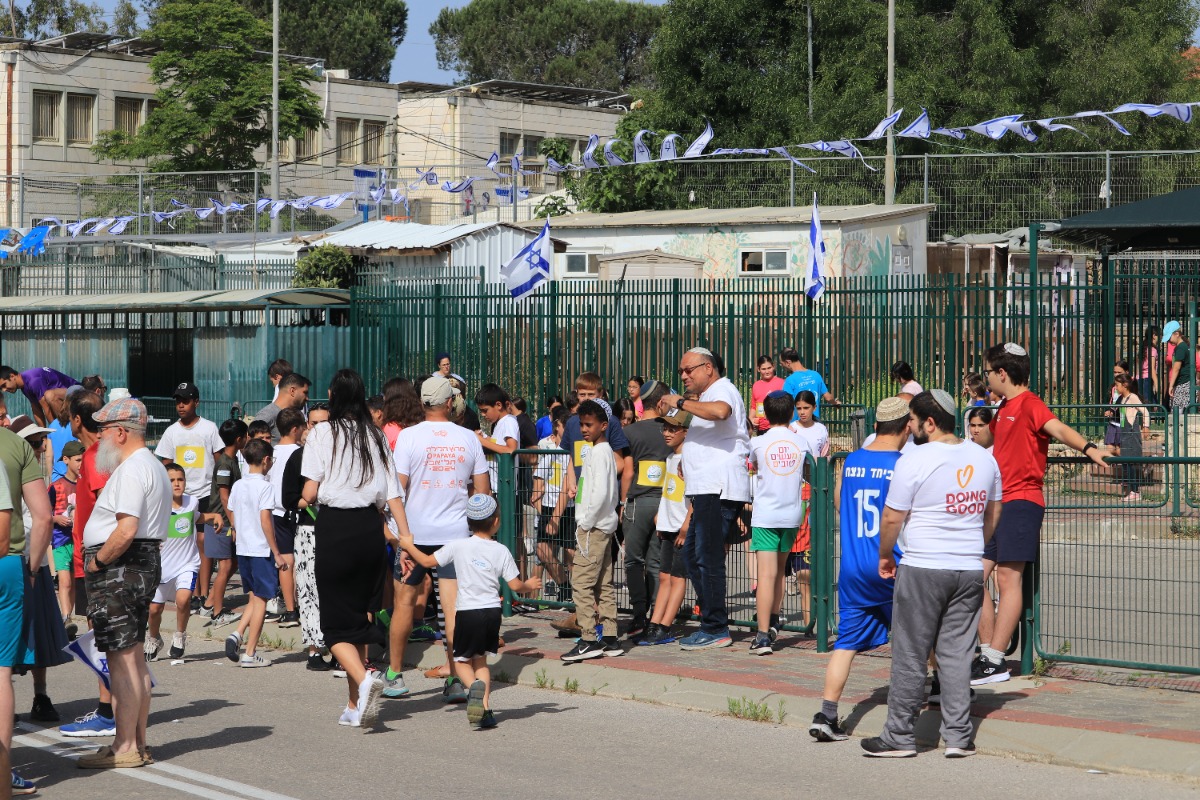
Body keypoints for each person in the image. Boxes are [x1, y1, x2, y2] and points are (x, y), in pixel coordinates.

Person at [860, 390, 1002, 759]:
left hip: (923, 564)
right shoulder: (984, 458)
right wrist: (972, 543)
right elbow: (993, 512)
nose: (910, 426)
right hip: (968, 567)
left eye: (913, 420)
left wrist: (886, 555)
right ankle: (958, 737)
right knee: (957, 653)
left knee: (910, 651)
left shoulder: (915, 458)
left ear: (930, 422)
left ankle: (899, 736)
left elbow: (892, 516)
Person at [977, 343, 1107, 686]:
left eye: (988, 372)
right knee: (972, 576)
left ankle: (994, 659)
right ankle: (987, 651)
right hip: (996, 501)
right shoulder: (1002, 406)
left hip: (1021, 500)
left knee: (1007, 578)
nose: (986, 377)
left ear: (1002, 373)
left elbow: (1059, 429)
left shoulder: (1031, 404)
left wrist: (1090, 448)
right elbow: (984, 442)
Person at [301, 369, 410, 730]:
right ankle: (354, 704)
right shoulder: (376, 436)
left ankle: (364, 679)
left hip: (336, 528)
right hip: (370, 530)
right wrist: (405, 540)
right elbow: (393, 494)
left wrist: (301, 499)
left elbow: (312, 491)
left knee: (333, 628)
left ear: (333, 395)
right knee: (359, 622)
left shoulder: (321, 432)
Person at [809, 396, 909, 742]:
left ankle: (827, 713)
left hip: (853, 566)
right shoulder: (902, 463)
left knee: (846, 643)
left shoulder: (851, 460)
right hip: (890, 562)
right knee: (918, 632)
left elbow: (839, 502)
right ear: (907, 427)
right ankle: (936, 691)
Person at [79, 398, 172, 769]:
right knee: (132, 658)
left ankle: (125, 746)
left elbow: (127, 528)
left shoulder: (133, 469)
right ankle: (138, 743)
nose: (98, 438)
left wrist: (98, 562)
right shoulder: (151, 465)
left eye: (102, 431)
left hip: (120, 566)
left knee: (120, 661)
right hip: (139, 563)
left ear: (120, 432)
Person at [397, 494, 539, 730]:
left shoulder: (457, 546)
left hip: (468, 612)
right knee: (481, 661)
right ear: (495, 522)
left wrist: (409, 544)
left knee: (461, 661)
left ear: (468, 522)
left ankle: (472, 686)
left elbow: (427, 561)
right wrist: (529, 585)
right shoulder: (501, 550)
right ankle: (484, 711)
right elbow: (515, 586)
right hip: (492, 613)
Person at [387, 375, 489, 701]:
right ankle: (457, 677)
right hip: (455, 535)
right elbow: (482, 494)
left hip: (414, 534)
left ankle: (394, 675)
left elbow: (397, 488)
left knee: (404, 603)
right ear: (449, 403)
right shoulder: (469, 438)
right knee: (452, 610)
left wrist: (401, 536)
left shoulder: (407, 437)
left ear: (422, 403)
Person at [657, 347, 750, 651]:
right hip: (705, 489)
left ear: (708, 368)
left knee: (707, 558)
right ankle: (712, 620)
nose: (684, 375)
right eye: (682, 371)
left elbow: (722, 412)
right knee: (693, 556)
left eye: (689, 370)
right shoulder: (706, 397)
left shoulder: (723, 389)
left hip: (718, 488)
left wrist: (681, 402)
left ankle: (716, 627)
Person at [59, 390, 117, 739]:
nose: (66, 420)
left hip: (97, 562)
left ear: (78, 420)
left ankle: (110, 714)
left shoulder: (97, 458)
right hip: (91, 559)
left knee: (105, 636)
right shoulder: (98, 455)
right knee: (102, 636)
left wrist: (97, 562)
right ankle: (108, 710)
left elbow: (108, 512)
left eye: (68, 415)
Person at [747, 391, 814, 655]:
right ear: (792, 413)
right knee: (779, 571)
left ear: (766, 413)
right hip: (792, 515)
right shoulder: (801, 443)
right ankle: (774, 619)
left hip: (765, 515)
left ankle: (763, 635)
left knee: (767, 575)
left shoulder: (758, 443)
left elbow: (751, 467)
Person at [154, 382, 222, 626]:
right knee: (183, 539)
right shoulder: (172, 432)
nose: (180, 405)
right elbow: (166, 463)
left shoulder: (209, 428)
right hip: (178, 497)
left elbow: (219, 461)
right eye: (177, 401)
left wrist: (219, 492)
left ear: (196, 402)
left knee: (203, 542)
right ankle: (190, 594)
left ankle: (203, 592)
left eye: (185, 400)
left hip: (203, 494)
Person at [561, 400, 622, 662]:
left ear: (603, 426)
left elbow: (599, 494)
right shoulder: (600, 451)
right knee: (602, 583)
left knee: (581, 583)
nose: (584, 429)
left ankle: (588, 638)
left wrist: (585, 521)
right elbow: (598, 488)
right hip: (602, 524)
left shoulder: (598, 452)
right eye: (581, 424)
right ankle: (609, 636)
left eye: (589, 424)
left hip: (593, 527)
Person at [146, 463, 220, 662]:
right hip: (162, 566)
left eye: (180, 479)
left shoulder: (192, 501)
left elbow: (194, 518)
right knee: (154, 610)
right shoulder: (156, 505)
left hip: (187, 563)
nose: (177, 484)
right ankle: (154, 639)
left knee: (184, 599)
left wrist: (214, 516)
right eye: (171, 480)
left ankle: (179, 636)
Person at [618, 379, 673, 636]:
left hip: (637, 502)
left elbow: (626, 472)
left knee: (632, 560)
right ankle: (656, 615)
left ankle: (639, 614)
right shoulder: (671, 429)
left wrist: (622, 501)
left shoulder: (629, 432)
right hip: (665, 502)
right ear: (661, 402)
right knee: (656, 561)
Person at [224, 439, 282, 668]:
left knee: (255, 597)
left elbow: (231, 511)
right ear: (266, 460)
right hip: (261, 548)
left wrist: (237, 529)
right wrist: (276, 551)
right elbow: (266, 520)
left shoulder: (238, 485)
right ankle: (250, 652)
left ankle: (237, 634)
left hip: (243, 549)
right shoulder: (265, 486)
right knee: (261, 600)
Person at [637, 406, 692, 646]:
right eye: (665, 428)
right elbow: (668, 491)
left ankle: (665, 626)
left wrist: (686, 525)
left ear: (686, 432)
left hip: (682, 528)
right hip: (668, 525)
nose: (667, 433)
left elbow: (696, 497)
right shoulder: (670, 458)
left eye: (673, 429)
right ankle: (654, 624)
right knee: (664, 575)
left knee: (678, 578)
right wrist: (661, 515)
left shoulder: (689, 459)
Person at [282, 403, 331, 670]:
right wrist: (312, 502)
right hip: (308, 531)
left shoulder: (340, 455)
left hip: (337, 529)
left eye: (325, 422)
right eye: (315, 423)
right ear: (307, 426)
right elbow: (288, 499)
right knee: (309, 589)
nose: (319, 428)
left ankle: (338, 647)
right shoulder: (297, 458)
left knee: (334, 588)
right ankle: (314, 650)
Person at [201, 418, 247, 628]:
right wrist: (235, 524)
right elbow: (225, 497)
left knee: (233, 563)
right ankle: (216, 613)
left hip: (228, 521)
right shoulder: (225, 464)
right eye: (246, 436)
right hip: (221, 523)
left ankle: (210, 603)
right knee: (225, 566)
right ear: (239, 439)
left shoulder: (232, 460)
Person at [267, 408, 305, 628]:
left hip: (275, 513)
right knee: (296, 561)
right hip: (294, 511)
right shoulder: (299, 452)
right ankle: (296, 607)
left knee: (286, 561)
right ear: (294, 429)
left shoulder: (271, 452)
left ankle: (291, 609)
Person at [531, 409, 572, 601]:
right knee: (542, 549)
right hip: (548, 506)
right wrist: (542, 511)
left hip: (572, 508)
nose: (553, 435)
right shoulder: (549, 453)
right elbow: (537, 486)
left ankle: (579, 595)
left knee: (571, 552)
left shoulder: (576, 453)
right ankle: (565, 588)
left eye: (558, 430)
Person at [50, 440, 85, 630]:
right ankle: (66, 618)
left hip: (80, 541)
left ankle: (68, 620)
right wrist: (55, 519)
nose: (81, 464)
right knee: (64, 581)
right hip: (61, 540)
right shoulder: (56, 486)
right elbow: (43, 513)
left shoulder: (86, 485)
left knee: (72, 582)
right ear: (66, 460)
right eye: (78, 460)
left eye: (83, 460)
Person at [0, 366, 80, 428]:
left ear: (12, 376)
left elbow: (47, 409)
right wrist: (43, 436)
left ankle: (66, 428)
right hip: (66, 399)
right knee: (45, 399)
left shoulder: (33, 380)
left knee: (49, 395)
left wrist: (53, 432)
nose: (4, 390)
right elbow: (36, 410)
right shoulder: (24, 386)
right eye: (1, 388)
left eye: (4, 385)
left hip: (79, 393)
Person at [1113, 375, 1149, 502]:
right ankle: (1132, 490)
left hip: (1132, 434)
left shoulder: (1132, 397)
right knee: (1126, 463)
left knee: (1132, 463)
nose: (1116, 388)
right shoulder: (1122, 399)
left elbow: (1145, 411)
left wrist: (1146, 426)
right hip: (1124, 433)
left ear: (1125, 385)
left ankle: (1135, 491)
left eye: (1117, 385)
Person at [779, 348, 837, 419]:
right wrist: (835, 403)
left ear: (788, 362)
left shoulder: (790, 380)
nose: (782, 366)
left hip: (797, 424)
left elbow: (786, 405)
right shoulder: (816, 375)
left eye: (782, 364)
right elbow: (828, 398)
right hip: (814, 422)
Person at [253, 372, 311, 443]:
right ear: (292, 391)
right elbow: (253, 445)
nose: (307, 398)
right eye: (305, 392)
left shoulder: (295, 415)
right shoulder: (268, 415)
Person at [789, 390, 831, 458]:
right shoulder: (791, 429)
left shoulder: (821, 429)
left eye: (806, 408)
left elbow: (825, 455)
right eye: (799, 408)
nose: (802, 412)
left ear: (814, 408)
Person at [750, 355, 785, 433]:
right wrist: (751, 420)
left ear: (773, 367)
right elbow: (753, 406)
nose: (767, 371)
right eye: (763, 369)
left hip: (777, 427)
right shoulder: (756, 385)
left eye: (769, 368)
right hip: (761, 428)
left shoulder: (782, 383)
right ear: (758, 369)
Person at [1164, 321, 1193, 411]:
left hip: (1183, 383)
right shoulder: (1184, 346)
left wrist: (1171, 385)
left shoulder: (1180, 348)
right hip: (1185, 382)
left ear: (1177, 334)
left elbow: (1176, 368)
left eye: (1169, 337)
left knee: (1177, 412)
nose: (1168, 340)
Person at [1136, 327, 1160, 405]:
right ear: (1154, 336)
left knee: (1143, 402)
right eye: (1160, 335)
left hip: (1139, 378)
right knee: (1149, 404)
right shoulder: (1153, 350)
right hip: (1146, 379)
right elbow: (1151, 368)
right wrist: (1157, 383)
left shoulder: (1144, 348)